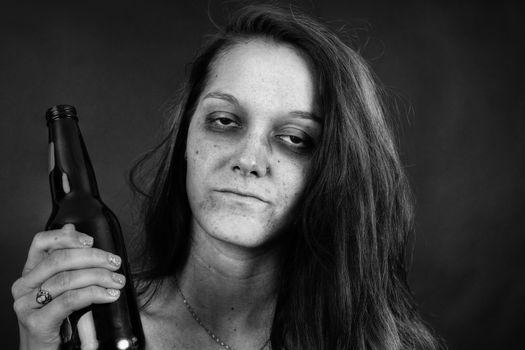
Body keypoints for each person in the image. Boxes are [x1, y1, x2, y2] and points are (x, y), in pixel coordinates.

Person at [12, 4, 440, 350]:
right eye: (224, 121)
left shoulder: (379, 343)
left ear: (332, 170)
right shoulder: (94, 330)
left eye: (293, 138)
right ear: (186, 137)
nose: (249, 159)